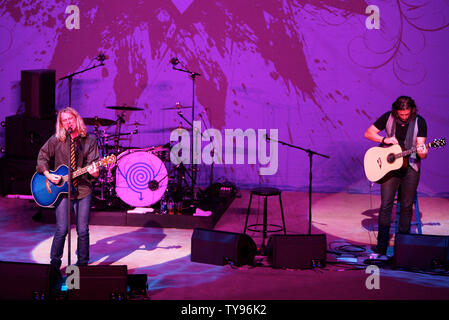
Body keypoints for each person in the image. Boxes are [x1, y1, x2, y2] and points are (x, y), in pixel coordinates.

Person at [36, 107, 100, 270]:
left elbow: (94, 168)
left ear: (77, 119)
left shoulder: (90, 140)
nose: (68, 122)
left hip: (83, 190)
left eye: (70, 119)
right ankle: (54, 263)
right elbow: (42, 157)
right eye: (64, 120)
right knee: (62, 229)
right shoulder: (56, 139)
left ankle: (83, 265)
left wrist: (94, 172)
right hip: (62, 192)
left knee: (83, 230)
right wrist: (49, 175)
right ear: (61, 123)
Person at [364, 96, 428, 256]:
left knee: (406, 206)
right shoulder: (388, 117)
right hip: (389, 167)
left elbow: (422, 148)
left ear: (412, 110)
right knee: (385, 206)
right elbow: (368, 133)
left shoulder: (420, 122)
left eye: (407, 114)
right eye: (401, 114)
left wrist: (423, 151)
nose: (404, 117)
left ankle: (402, 248)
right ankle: (381, 248)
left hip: (410, 166)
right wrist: (384, 139)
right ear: (396, 111)